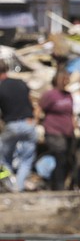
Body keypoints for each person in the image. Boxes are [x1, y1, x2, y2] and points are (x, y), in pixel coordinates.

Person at [0, 60, 37, 191]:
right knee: (26, 160)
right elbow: (30, 101)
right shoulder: (20, 83)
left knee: (4, 158)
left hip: (12, 125)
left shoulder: (1, 87)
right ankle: (18, 188)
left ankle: (9, 185)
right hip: (28, 123)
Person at [38, 69, 76, 190]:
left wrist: (74, 126)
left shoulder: (68, 95)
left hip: (67, 133)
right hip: (53, 131)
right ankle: (58, 185)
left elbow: (71, 113)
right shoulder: (50, 95)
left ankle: (56, 183)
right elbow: (39, 109)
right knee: (60, 157)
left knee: (65, 159)